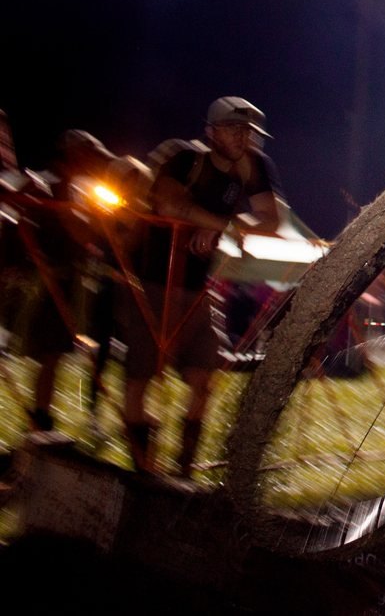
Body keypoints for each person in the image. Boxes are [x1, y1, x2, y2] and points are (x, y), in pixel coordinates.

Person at [119, 96, 286, 476]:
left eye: (248, 131)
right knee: (140, 378)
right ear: (211, 132)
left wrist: (226, 229)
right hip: (152, 279)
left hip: (197, 287)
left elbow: (270, 219)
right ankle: (143, 470)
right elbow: (168, 205)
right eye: (233, 130)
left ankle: (183, 470)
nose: (243, 138)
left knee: (203, 379)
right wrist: (221, 226)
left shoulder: (254, 166)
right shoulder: (184, 158)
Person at [7, 129, 115, 433]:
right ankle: (39, 417)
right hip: (36, 282)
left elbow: (88, 238)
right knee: (45, 351)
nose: (93, 163)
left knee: (51, 354)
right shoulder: (43, 185)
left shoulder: (80, 192)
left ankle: (41, 417)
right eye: (89, 156)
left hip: (62, 281)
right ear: (74, 154)